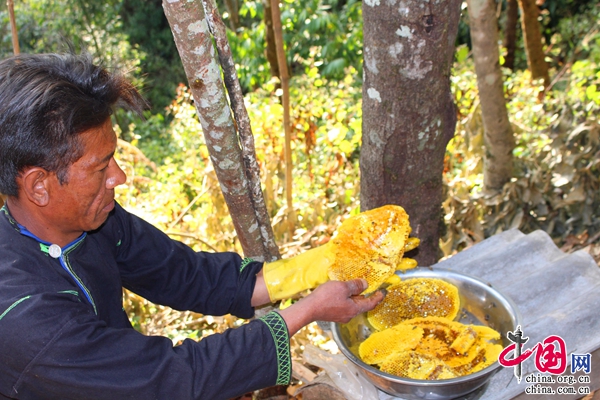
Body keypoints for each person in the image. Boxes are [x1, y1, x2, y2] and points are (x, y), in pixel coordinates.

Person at [0, 53, 384, 400]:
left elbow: (185, 275)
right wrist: (307, 311)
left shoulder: (93, 221)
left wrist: (325, 262)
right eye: (101, 168)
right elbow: (168, 379)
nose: (120, 177)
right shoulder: (24, 318)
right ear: (39, 186)